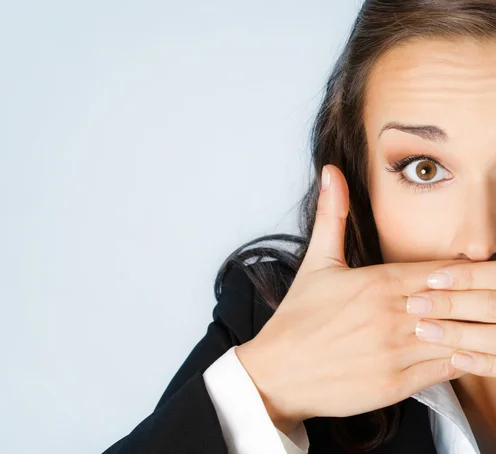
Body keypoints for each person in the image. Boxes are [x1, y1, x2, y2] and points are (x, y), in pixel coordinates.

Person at [102, 0, 496, 452]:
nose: (479, 242)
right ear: (359, 176)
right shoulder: (269, 320)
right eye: (423, 169)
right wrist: (266, 389)